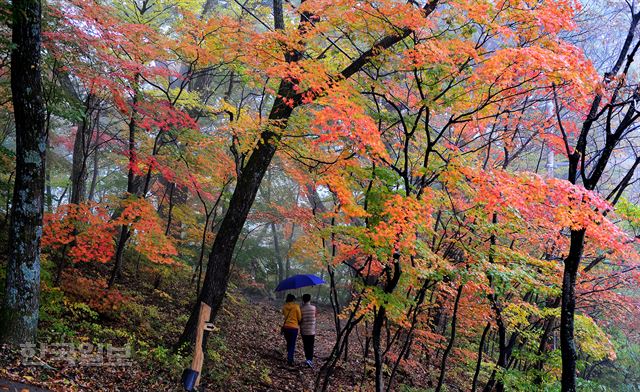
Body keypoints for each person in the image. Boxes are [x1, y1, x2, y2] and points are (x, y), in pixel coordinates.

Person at [281, 293, 302, 366]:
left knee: (289, 343)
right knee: (292, 344)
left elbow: (284, 314)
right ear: (293, 299)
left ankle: (289, 355)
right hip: (294, 328)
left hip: (286, 327)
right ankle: (290, 359)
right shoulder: (296, 306)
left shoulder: (284, 306)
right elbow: (299, 318)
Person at [300, 293, 317, 368]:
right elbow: (315, 317)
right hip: (312, 330)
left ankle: (307, 359)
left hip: (304, 330)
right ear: (310, 299)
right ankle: (310, 360)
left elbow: (300, 319)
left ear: (303, 300)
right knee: (311, 345)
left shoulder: (301, 308)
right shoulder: (314, 308)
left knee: (306, 345)